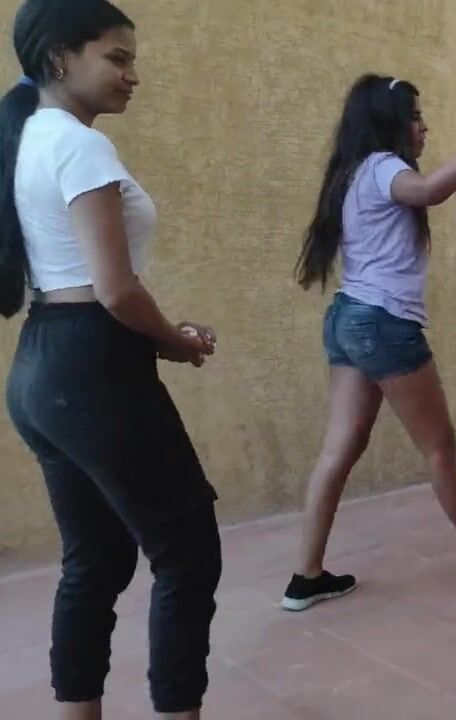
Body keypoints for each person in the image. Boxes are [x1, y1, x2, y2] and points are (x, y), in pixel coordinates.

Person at [1, 1, 222, 718]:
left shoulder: (30, 134)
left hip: (42, 363)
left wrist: (158, 334)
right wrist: (175, 340)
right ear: (61, 58)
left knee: (95, 559)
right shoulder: (80, 145)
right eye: (117, 58)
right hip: (92, 364)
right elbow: (116, 289)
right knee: (187, 551)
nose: (133, 75)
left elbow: (91, 285)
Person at [284, 74, 456, 611]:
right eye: (416, 117)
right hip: (382, 324)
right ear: (391, 123)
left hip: (348, 318)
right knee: (438, 447)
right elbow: (428, 191)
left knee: (337, 451)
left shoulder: (350, 172)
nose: (424, 127)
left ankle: (306, 576)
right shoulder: (384, 166)